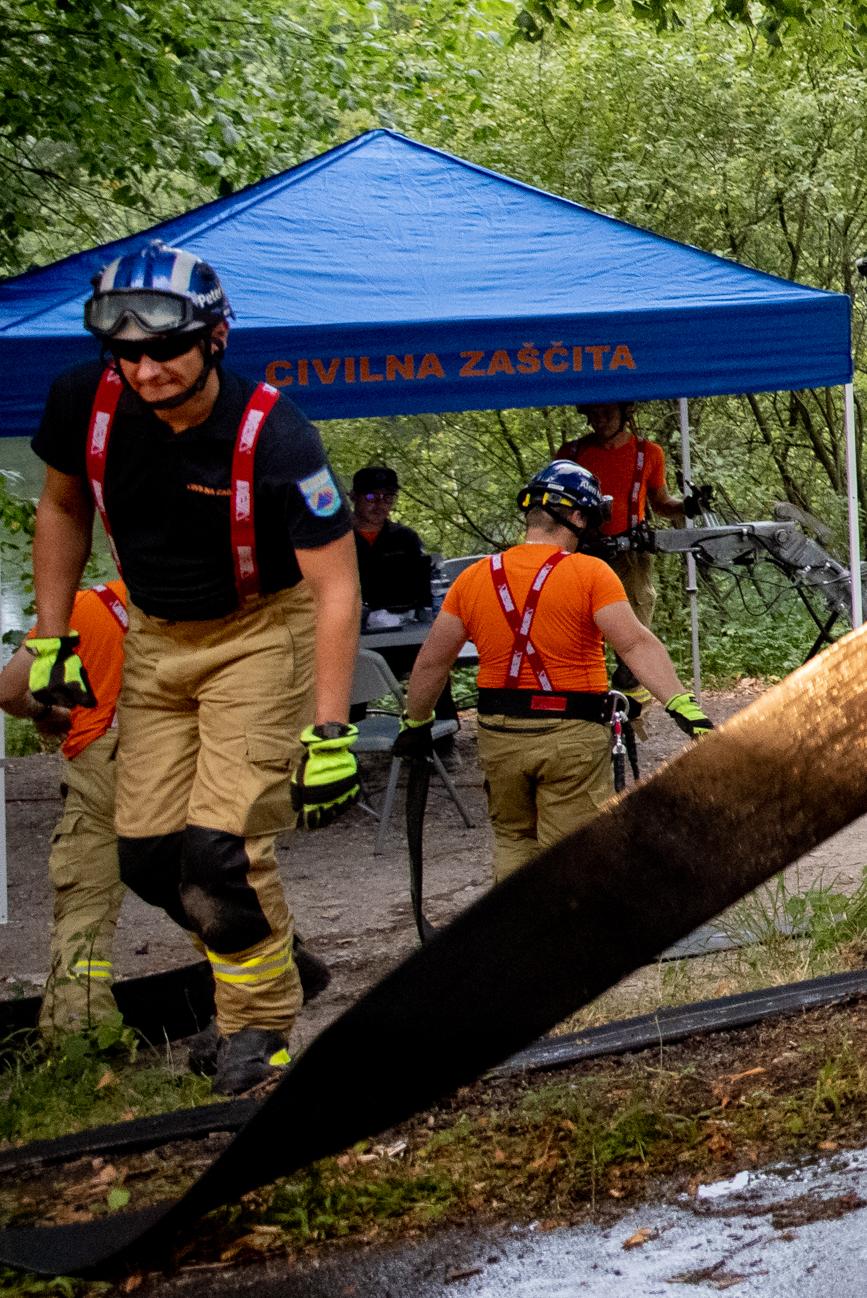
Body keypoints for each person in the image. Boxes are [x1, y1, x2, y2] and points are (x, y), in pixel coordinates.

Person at [18, 242, 361, 1096]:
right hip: (153, 632)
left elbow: (337, 588)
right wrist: (54, 639)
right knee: (145, 856)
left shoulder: (274, 431)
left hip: (259, 629)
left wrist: (329, 730)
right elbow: (62, 506)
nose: (146, 368)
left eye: (165, 348)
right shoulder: (82, 402)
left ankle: (259, 1029)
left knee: (219, 847)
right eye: (125, 352)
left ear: (214, 337)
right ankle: (273, 958)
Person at [392, 458, 709, 877]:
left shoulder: (472, 578)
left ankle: (519, 937)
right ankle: (570, 940)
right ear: (576, 516)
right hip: (571, 735)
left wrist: (415, 724)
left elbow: (433, 661)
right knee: (572, 854)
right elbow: (634, 643)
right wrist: (682, 705)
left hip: (500, 735)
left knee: (512, 839)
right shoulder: (590, 572)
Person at [23, 558, 130, 1045]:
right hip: (186, 758)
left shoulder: (85, 607)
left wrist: (49, 712)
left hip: (100, 764)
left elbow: (9, 690)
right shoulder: (205, 606)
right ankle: (254, 1003)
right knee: (200, 879)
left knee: (85, 897)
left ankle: (79, 1033)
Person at [562, 400, 700, 556]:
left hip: (631, 551)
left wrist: (686, 507)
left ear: (625, 413)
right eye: (594, 414)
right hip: (582, 550)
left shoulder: (649, 453)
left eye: (608, 413)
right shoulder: (570, 453)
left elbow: (661, 504)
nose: (600, 420)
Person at [349, 464, 437, 622]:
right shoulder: (337, 539)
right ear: (354, 497)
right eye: (371, 496)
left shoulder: (405, 537)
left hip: (403, 624)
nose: (379, 504)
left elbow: (422, 590)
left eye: (387, 497)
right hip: (350, 626)